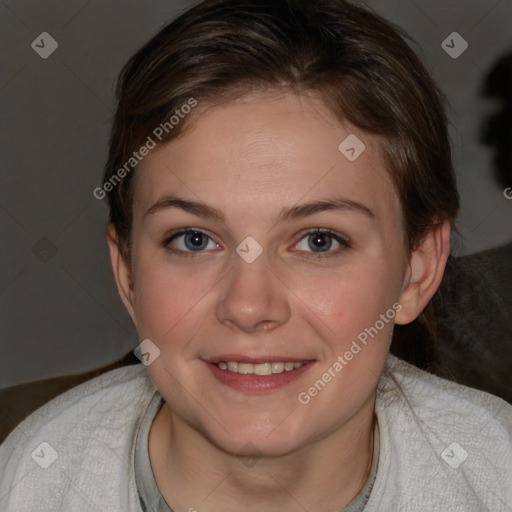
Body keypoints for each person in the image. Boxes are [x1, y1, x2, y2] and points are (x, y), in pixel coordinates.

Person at [1, 1, 511, 510]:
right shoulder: (30, 484)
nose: (248, 306)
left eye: (319, 241)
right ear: (128, 273)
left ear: (416, 270)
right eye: (194, 240)